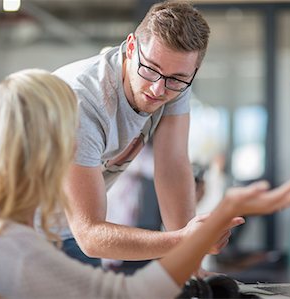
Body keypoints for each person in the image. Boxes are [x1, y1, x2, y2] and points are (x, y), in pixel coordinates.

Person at [0, 69, 290, 298]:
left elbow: (172, 164)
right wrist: (221, 215)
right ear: (48, 149)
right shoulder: (16, 250)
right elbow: (131, 294)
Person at [51, 1, 225, 267]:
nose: (158, 90)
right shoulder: (83, 101)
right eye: (150, 69)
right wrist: (185, 242)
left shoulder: (173, 79)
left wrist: (189, 264)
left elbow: (172, 166)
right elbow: (89, 234)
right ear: (131, 47)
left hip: (65, 231)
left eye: (177, 78)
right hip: (11, 230)